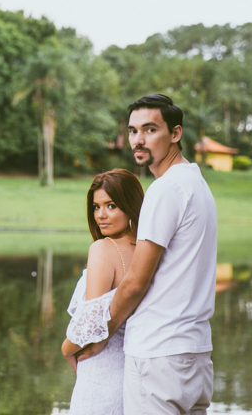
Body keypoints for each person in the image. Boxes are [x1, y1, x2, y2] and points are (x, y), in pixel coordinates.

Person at [77, 93, 217, 415]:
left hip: (159, 356)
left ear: (176, 134)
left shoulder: (165, 189)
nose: (138, 140)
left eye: (150, 130)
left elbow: (136, 282)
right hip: (194, 354)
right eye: (132, 131)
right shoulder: (197, 185)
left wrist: (101, 334)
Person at [61, 168, 144, 415]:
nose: (101, 216)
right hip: (134, 375)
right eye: (96, 207)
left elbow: (91, 323)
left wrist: (65, 350)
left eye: (111, 205)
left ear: (130, 205)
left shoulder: (102, 249)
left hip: (100, 370)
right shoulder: (148, 252)